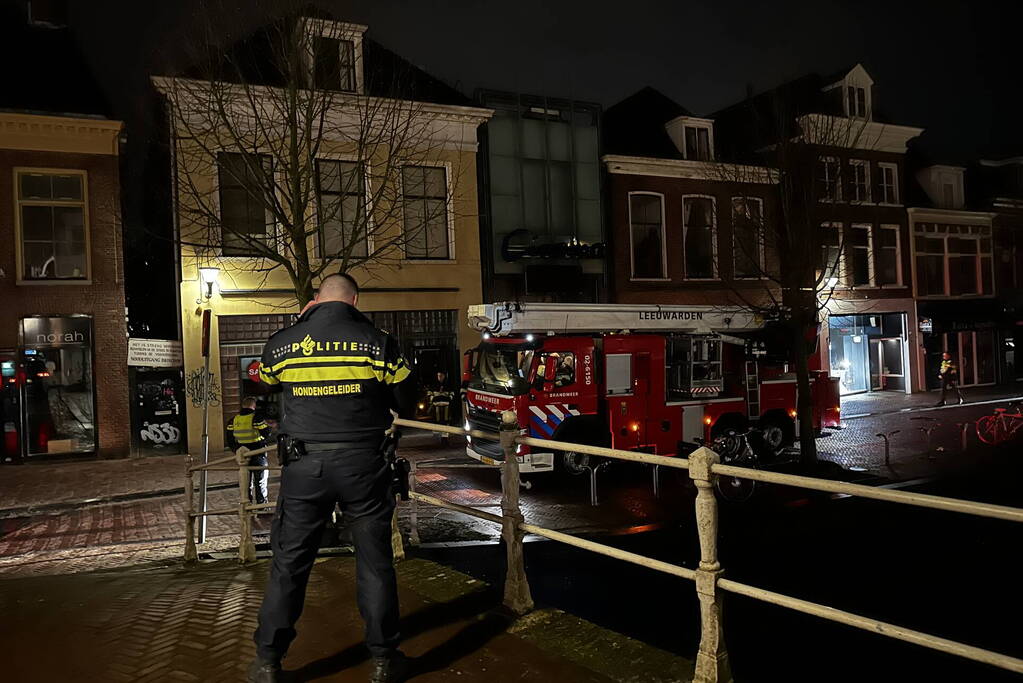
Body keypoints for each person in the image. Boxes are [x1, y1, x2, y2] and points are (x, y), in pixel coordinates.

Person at [248, 273, 414, 683]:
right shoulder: (377, 341)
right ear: (354, 301)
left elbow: (261, 381)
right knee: (374, 564)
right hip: (364, 465)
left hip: (304, 467)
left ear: (316, 299)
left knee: (289, 563)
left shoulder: (284, 342)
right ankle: (382, 660)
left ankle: (268, 662)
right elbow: (408, 397)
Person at [226, 396, 272, 505]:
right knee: (260, 480)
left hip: (243, 454)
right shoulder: (256, 417)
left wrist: (237, 450)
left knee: (246, 481)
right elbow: (266, 433)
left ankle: (247, 505)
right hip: (258, 453)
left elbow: (230, 439)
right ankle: (262, 506)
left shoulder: (233, 420)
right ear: (254, 406)